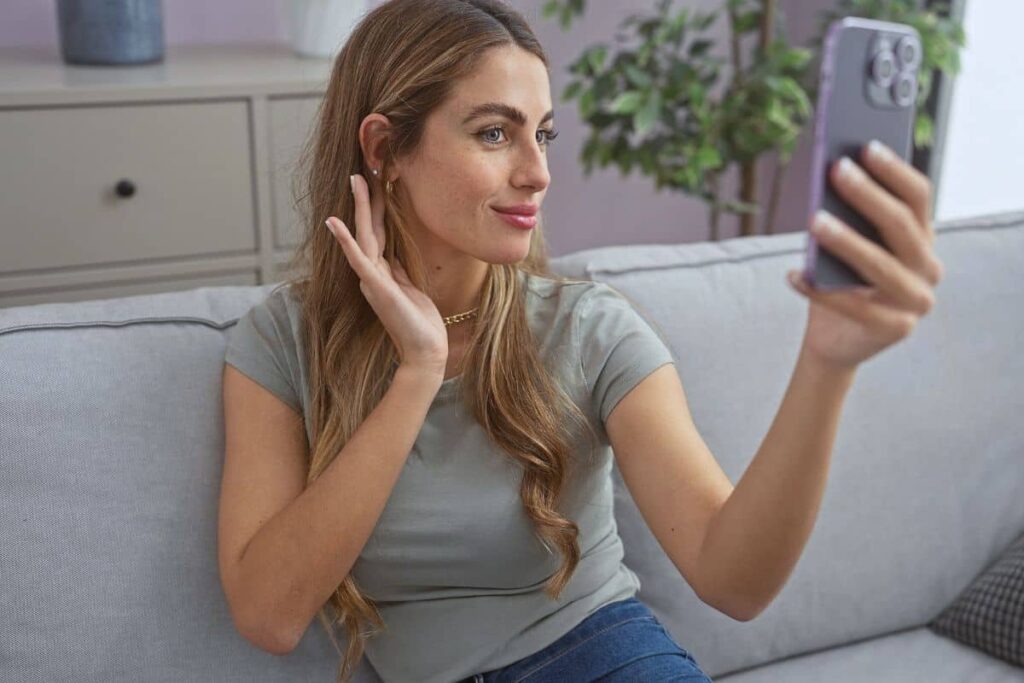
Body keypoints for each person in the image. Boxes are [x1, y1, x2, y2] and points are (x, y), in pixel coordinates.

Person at [218, 1, 944, 682]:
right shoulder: (280, 343)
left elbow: (735, 581)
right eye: (494, 133)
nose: (538, 172)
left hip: (603, 656)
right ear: (385, 148)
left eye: (543, 133)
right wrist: (419, 370)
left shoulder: (592, 330)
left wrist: (827, 364)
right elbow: (270, 614)